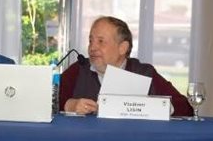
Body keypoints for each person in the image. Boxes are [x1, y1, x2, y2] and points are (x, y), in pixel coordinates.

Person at [60, 16, 192, 117]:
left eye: (100, 41)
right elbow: (51, 100)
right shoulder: (78, 70)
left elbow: (185, 107)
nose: (92, 47)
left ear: (122, 48)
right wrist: (68, 105)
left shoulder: (144, 72)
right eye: (91, 41)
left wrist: (155, 107)